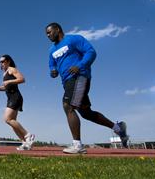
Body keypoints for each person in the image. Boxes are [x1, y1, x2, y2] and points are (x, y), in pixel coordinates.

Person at [45, 22, 128, 154]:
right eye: (46, 34)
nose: (48, 35)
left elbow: (91, 52)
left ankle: (77, 145)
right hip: (67, 82)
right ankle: (118, 128)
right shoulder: (51, 50)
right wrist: (53, 70)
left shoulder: (73, 39)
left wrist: (80, 65)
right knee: (86, 113)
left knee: (68, 105)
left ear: (58, 29)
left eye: (49, 32)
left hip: (80, 76)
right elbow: (51, 64)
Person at [0, 54, 36, 150]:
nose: (1, 63)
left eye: (3, 61)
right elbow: (6, 87)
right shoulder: (5, 74)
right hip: (10, 98)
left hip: (15, 97)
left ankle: (28, 135)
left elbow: (22, 79)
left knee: (7, 119)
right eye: (0, 62)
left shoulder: (12, 69)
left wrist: (9, 82)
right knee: (13, 123)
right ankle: (25, 143)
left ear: (8, 61)